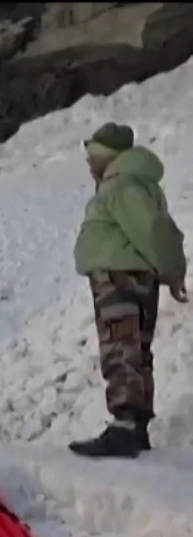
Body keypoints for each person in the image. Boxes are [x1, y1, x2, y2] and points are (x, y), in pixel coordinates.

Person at [68, 122, 188, 458]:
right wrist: (171, 271)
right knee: (134, 349)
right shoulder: (133, 184)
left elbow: (152, 230)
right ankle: (135, 429)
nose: (89, 164)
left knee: (120, 346)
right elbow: (162, 231)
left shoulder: (121, 186)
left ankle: (124, 429)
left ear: (107, 156)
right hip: (133, 278)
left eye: (92, 157)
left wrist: (173, 270)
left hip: (119, 280)